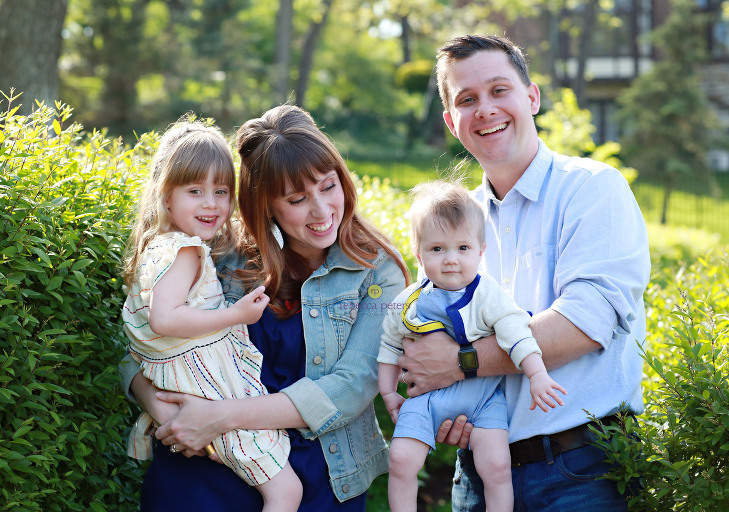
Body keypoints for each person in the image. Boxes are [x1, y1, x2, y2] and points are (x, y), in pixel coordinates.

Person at [395, 35, 651, 511]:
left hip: (583, 472)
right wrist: (450, 408)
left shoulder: (593, 189)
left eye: (499, 90)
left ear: (531, 97)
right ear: (451, 122)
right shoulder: (454, 223)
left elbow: (583, 325)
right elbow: (427, 345)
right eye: (467, 100)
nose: (485, 110)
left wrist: (461, 362)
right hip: (479, 474)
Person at [120, 105, 409, 511]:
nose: (322, 210)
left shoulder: (378, 271)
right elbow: (142, 340)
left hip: (321, 472)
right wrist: (160, 406)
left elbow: (351, 387)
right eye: (297, 199)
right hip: (208, 463)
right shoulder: (220, 253)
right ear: (267, 203)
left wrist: (219, 416)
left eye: (329, 186)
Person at [121, 120, 301, 512]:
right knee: (286, 492)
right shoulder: (186, 251)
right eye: (195, 191)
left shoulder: (160, 247)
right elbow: (164, 321)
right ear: (166, 196)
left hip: (195, 389)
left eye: (221, 191)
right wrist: (234, 315)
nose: (211, 204)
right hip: (209, 390)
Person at [377, 180, 566, 512]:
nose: (451, 259)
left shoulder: (487, 294)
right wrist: (389, 392)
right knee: (401, 460)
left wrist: (537, 374)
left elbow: (517, 334)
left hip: (483, 401)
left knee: (496, 467)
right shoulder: (408, 302)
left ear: (480, 251)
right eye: (438, 249)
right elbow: (390, 346)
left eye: (462, 248)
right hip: (426, 399)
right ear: (419, 254)